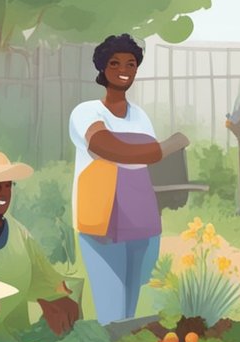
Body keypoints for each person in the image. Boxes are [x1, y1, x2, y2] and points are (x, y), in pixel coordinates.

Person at [69, 33, 188, 325]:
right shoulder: (87, 112)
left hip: (141, 218)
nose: (124, 69)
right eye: (115, 62)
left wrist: (155, 153)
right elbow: (108, 147)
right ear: (102, 68)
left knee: (132, 311)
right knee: (111, 311)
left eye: (131, 63)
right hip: (103, 221)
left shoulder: (140, 116)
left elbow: (144, 162)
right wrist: (165, 147)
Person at [0, 152, 82, 342]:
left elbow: (44, 277)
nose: (2, 192)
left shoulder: (19, 233)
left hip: (13, 340)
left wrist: (55, 297)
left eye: (7, 185)